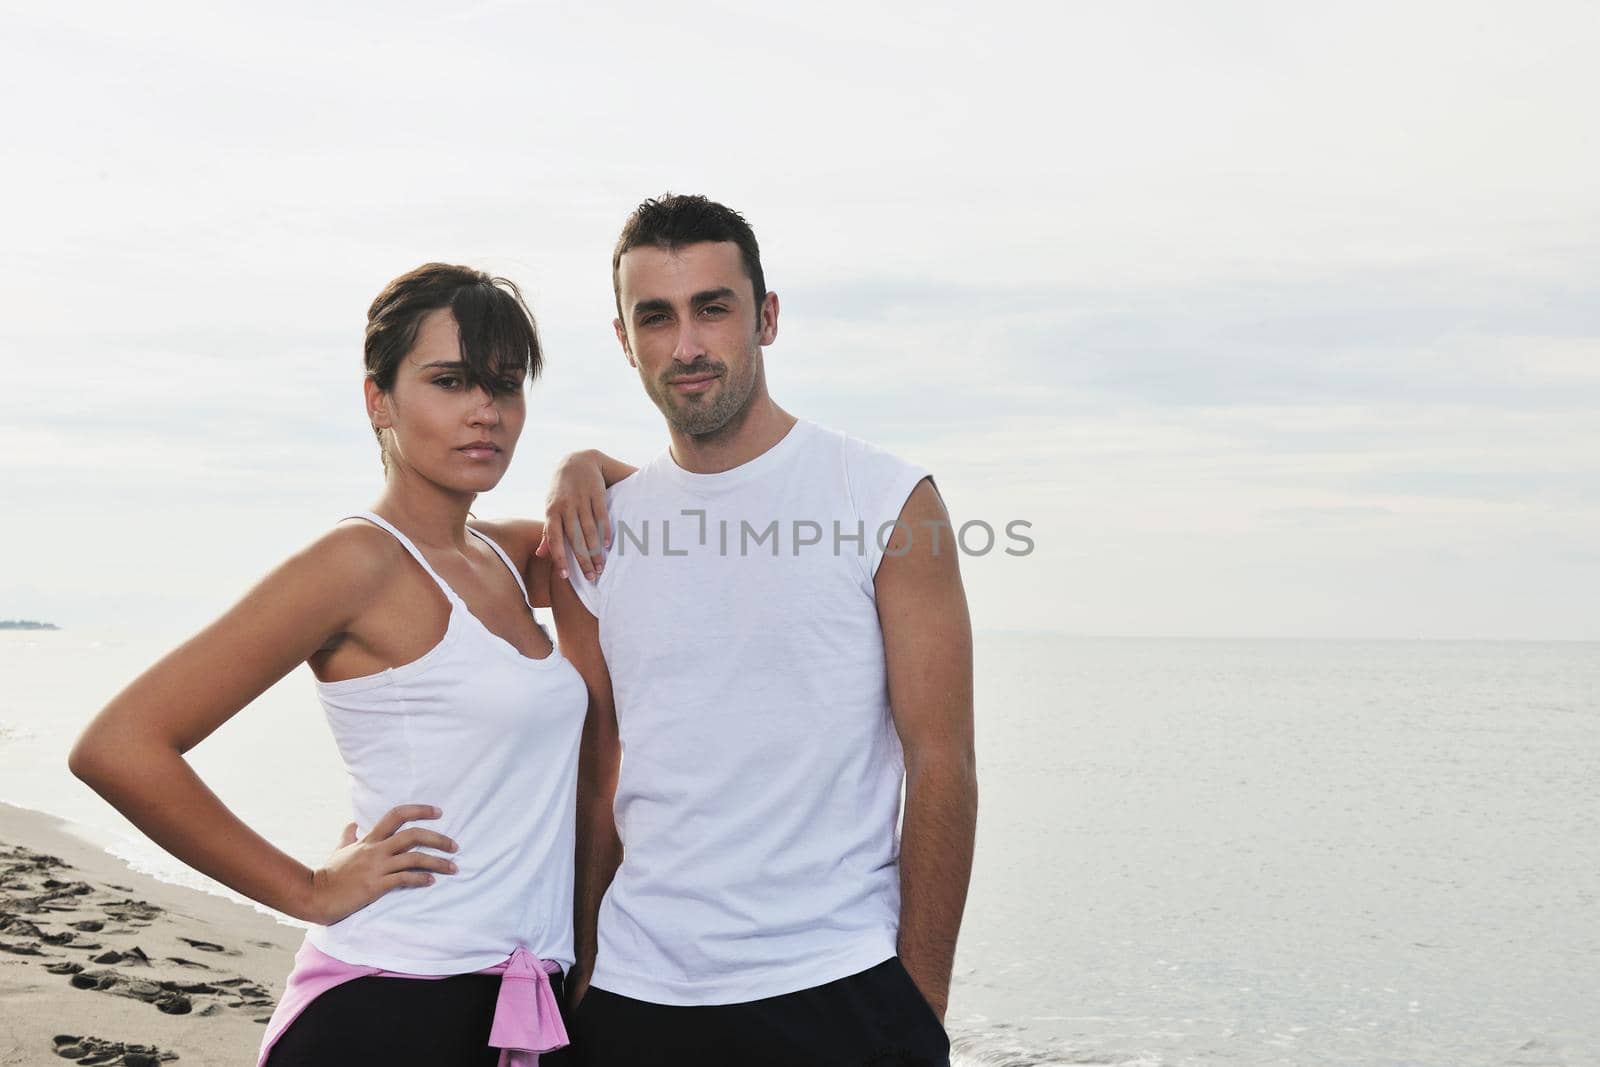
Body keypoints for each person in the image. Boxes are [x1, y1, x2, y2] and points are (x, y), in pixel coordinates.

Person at [69, 263, 625, 1066]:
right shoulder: (356, 562)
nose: (485, 411)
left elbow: (664, 526)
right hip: (387, 1002)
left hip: (516, 996)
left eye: (505, 386)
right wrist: (310, 888)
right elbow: (119, 745)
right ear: (379, 400)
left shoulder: (504, 556)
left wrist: (586, 463)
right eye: (450, 380)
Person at [539, 195, 978, 1067]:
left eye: (714, 306)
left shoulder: (887, 501)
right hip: (637, 994)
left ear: (766, 317)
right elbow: (605, 765)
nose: (688, 345)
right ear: (625, 340)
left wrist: (920, 1005)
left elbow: (943, 761)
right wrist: (585, 966)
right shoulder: (598, 532)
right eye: (655, 317)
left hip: (838, 986)